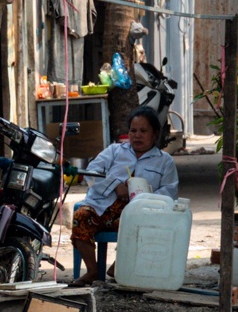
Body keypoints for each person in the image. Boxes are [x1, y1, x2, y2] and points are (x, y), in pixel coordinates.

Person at [71, 106, 180, 280]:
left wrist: (144, 197)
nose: (137, 135)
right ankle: (92, 270)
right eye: (133, 130)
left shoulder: (164, 161)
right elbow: (91, 172)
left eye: (143, 131)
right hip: (103, 206)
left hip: (137, 212)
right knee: (81, 216)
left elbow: (170, 190)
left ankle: (119, 266)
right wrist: (115, 186)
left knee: (139, 223)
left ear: (155, 134)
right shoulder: (115, 151)